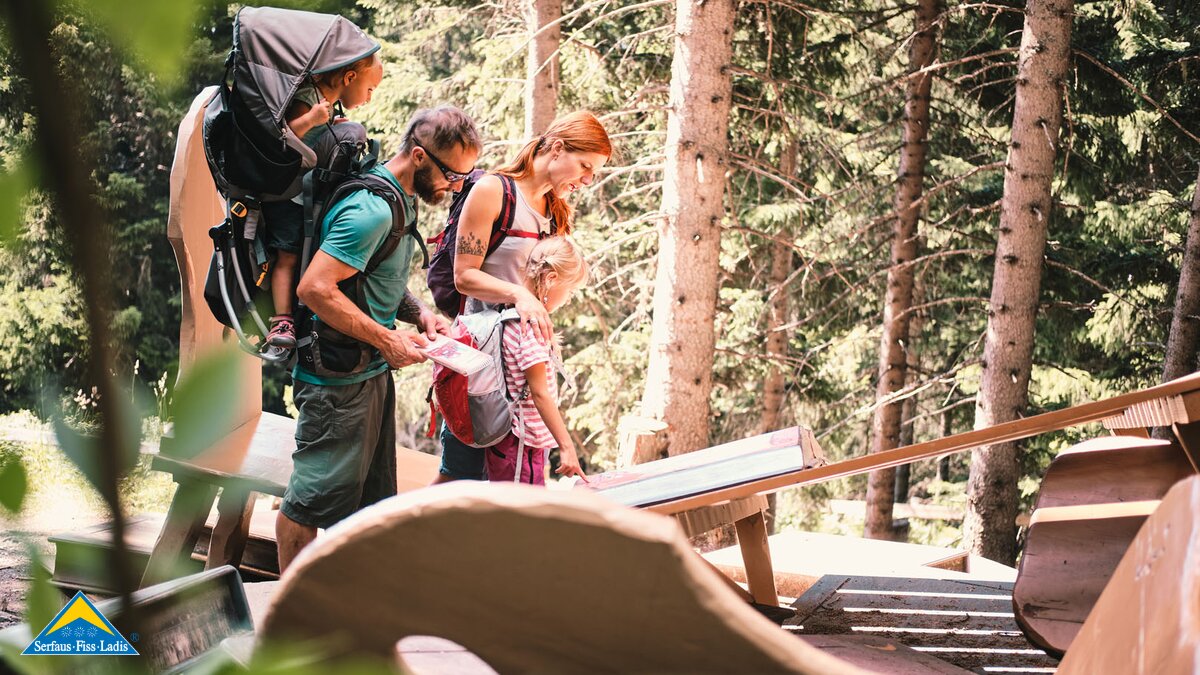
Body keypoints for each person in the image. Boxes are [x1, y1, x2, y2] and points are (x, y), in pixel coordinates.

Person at [277, 106, 482, 572]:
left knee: (362, 503)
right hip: (335, 381)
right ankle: (290, 608)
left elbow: (373, 275)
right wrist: (387, 340)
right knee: (308, 503)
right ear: (418, 156)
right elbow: (315, 288)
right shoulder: (370, 209)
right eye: (452, 175)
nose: (455, 187)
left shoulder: (402, 198)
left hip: (366, 372)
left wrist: (419, 314)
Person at [434, 111, 612, 483]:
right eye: (585, 166)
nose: (587, 180)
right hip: (481, 366)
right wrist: (519, 295)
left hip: (519, 368)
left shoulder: (554, 211)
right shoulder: (494, 192)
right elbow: (464, 276)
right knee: (459, 478)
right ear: (557, 148)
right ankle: (393, 523)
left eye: (593, 172)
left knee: (508, 482)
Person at [262, 53, 386, 351]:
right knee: (286, 257)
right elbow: (283, 136)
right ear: (349, 78)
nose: (369, 98)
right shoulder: (309, 96)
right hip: (287, 193)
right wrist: (313, 119)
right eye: (370, 89)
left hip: (303, 192)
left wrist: (327, 125)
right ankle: (282, 320)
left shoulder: (325, 101)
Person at [488, 236, 590, 484]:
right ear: (551, 278)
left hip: (518, 442)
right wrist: (566, 446)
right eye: (570, 291)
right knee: (523, 506)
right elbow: (539, 393)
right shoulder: (530, 328)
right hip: (521, 446)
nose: (568, 299)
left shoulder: (511, 313)